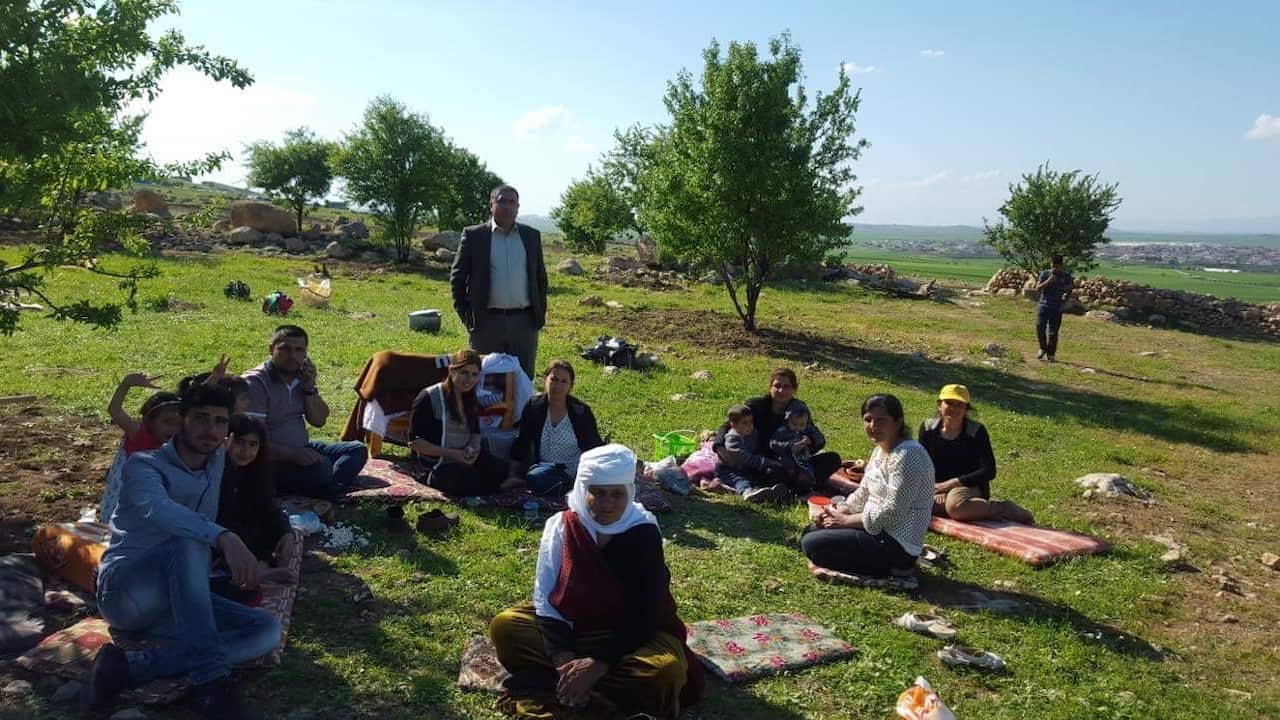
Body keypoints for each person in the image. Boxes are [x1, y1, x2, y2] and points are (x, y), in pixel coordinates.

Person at [84, 384, 280, 719]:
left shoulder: (216, 458)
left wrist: (268, 549)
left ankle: (128, 668)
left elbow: (258, 493)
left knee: (265, 629)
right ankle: (211, 682)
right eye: (201, 419)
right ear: (181, 421)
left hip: (179, 598)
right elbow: (160, 511)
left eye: (220, 422)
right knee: (187, 540)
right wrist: (225, 538)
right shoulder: (143, 466)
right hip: (126, 593)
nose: (211, 430)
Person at [489, 444, 704, 719]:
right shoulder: (562, 525)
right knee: (506, 626)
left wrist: (597, 664)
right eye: (597, 493)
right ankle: (580, 686)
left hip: (628, 637)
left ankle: (556, 684)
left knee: (664, 671)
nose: (606, 504)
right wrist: (563, 658)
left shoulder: (643, 530)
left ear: (630, 492)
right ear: (582, 488)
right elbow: (545, 599)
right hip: (572, 627)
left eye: (616, 494)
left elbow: (648, 613)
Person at [801, 394, 935, 579]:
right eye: (868, 420)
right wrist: (838, 511)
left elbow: (893, 511)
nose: (873, 426)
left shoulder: (909, 455)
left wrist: (846, 521)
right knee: (811, 531)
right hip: (873, 528)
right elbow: (863, 492)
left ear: (897, 422)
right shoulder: (880, 450)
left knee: (812, 545)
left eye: (881, 420)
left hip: (896, 542)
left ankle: (896, 570)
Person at [242, 325, 368, 500]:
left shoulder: (301, 377)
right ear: (271, 349)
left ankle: (323, 490)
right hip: (270, 458)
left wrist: (309, 389)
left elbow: (319, 421)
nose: (292, 356)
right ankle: (326, 489)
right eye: (285, 349)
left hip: (301, 448)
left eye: (298, 350)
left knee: (356, 450)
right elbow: (251, 441)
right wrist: (291, 455)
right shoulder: (255, 383)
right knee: (322, 468)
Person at [450, 184, 549, 379]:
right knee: (483, 379)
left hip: (524, 324)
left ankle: (520, 411)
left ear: (518, 207)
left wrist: (537, 316)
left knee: (522, 380)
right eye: (501, 201)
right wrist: (468, 316)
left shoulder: (530, 236)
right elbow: (458, 279)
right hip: (486, 324)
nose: (507, 206)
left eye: (512, 202)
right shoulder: (475, 236)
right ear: (491, 205)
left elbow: (540, 280)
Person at [918, 384, 1035, 524]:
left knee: (955, 507)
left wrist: (952, 484)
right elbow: (921, 465)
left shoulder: (976, 431)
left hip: (969, 486)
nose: (954, 409)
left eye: (960, 405)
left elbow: (989, 470)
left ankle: (1005, 509)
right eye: (949, 403)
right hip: (937, 487)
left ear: (966, 409)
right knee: (910, 502)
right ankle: (968, 508)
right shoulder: (927, 428)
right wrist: (932, 488)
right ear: (939, 405)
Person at [714, 368, 842, 490]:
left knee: (833, 459)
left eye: (786, 387)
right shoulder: (756, 406)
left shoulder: (798, 410)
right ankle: (799, 486)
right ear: (770, 387)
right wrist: (719, 447)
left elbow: (818, 438)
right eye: (777, 386)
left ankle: (795, 485)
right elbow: (728, 425)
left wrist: (808, 441)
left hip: (792, 461)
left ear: (794, 389)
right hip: (764, 460)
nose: (781, 390)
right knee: (773, 473)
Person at [408, 349, 507, 495]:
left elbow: (475, 432)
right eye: (464, 373)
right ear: (452, 371)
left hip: (463, 458)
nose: (469, 380)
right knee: (470, 481)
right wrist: (452, 454)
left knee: (502, 469)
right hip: (437, 465)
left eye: (474, 375)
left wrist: (473, 449)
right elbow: (414, 442)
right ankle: (499, 487)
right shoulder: (429, 397)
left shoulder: (471, 398)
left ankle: (500, 484)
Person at [215, 415, 297, 589]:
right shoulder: (215, 471)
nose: (245, 451)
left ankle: (258, 567)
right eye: (239, 443)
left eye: (253, 445)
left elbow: (270, 507)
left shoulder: (257, 471)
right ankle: (255, 572)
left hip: (250, 536)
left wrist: (287, 533)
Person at [506, 360, 604, 496]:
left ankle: (574, 487)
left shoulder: (580, 412)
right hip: (543, 468)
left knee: (537, 480)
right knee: (536, 477)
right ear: (544, 380)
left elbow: (595, 447)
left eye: (564, 382)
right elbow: (522, 442)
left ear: (571, 386)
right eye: (554, 379)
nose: (558, 386)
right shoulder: (534, 407)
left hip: (575, 469)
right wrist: (512, 474)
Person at [100, 372, 182, 522]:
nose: (173, 429)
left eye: (178, 423)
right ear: (149, 421)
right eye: (167, 422)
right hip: (124, 495)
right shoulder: (139, 433)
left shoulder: (178, 442)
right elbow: (114, 410)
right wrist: (126, 384)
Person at [713, 405, 788, 503]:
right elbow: (744, 457)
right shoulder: (733, 438)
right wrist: (765, 461)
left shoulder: (752, 433)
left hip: (745, 467)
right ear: (733, 425)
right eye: (745, 423)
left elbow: (755, 450)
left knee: (753, 478)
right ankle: (747, 492)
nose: (749, 426)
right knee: (739, 480)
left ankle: (765, 492)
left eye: (751, 422)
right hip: (728, 469)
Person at [769, 400, 825, 492]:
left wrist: (811, 440)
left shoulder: (807, 429)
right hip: (787, 462)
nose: (798, 427)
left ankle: (808, 486)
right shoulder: (783, 431)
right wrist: (789, 447)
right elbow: (773, 444)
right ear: (787, 421)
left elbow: (820, 439)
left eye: (802, 425)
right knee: (778, 471)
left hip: (804, 460)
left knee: (809, 472)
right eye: (794, 424)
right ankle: (788, 488)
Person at [1034, 254, 1073, 362]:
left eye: (1056, 266)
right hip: (1043, 305)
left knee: (1053, 332)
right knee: (1039, 326)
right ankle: (1042, 348)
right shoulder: (1045, 273)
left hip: (1057, 307)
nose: (1054, 268)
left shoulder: (1066, 276)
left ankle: (1051, 354)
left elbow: (1070, 289)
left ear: (1061, 266)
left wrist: (1064, 302)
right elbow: (1037, 288)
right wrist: (1049, 281)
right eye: (1052, 265)